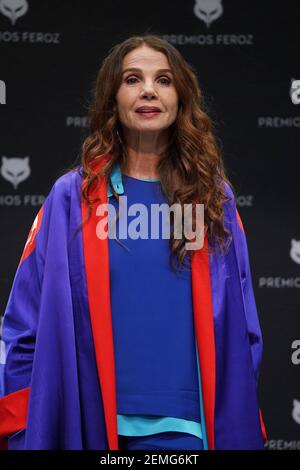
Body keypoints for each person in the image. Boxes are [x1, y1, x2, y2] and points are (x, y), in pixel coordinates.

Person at [0, 34, 267, 450]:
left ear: (180, 98)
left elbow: (243, 323)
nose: (148, 90)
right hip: (90, 424)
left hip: (190, 429)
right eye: (132, 79)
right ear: (113, 98)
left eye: (163, 79)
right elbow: (24, 323)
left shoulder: (214, 198)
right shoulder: (71, 198)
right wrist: (22, 428)